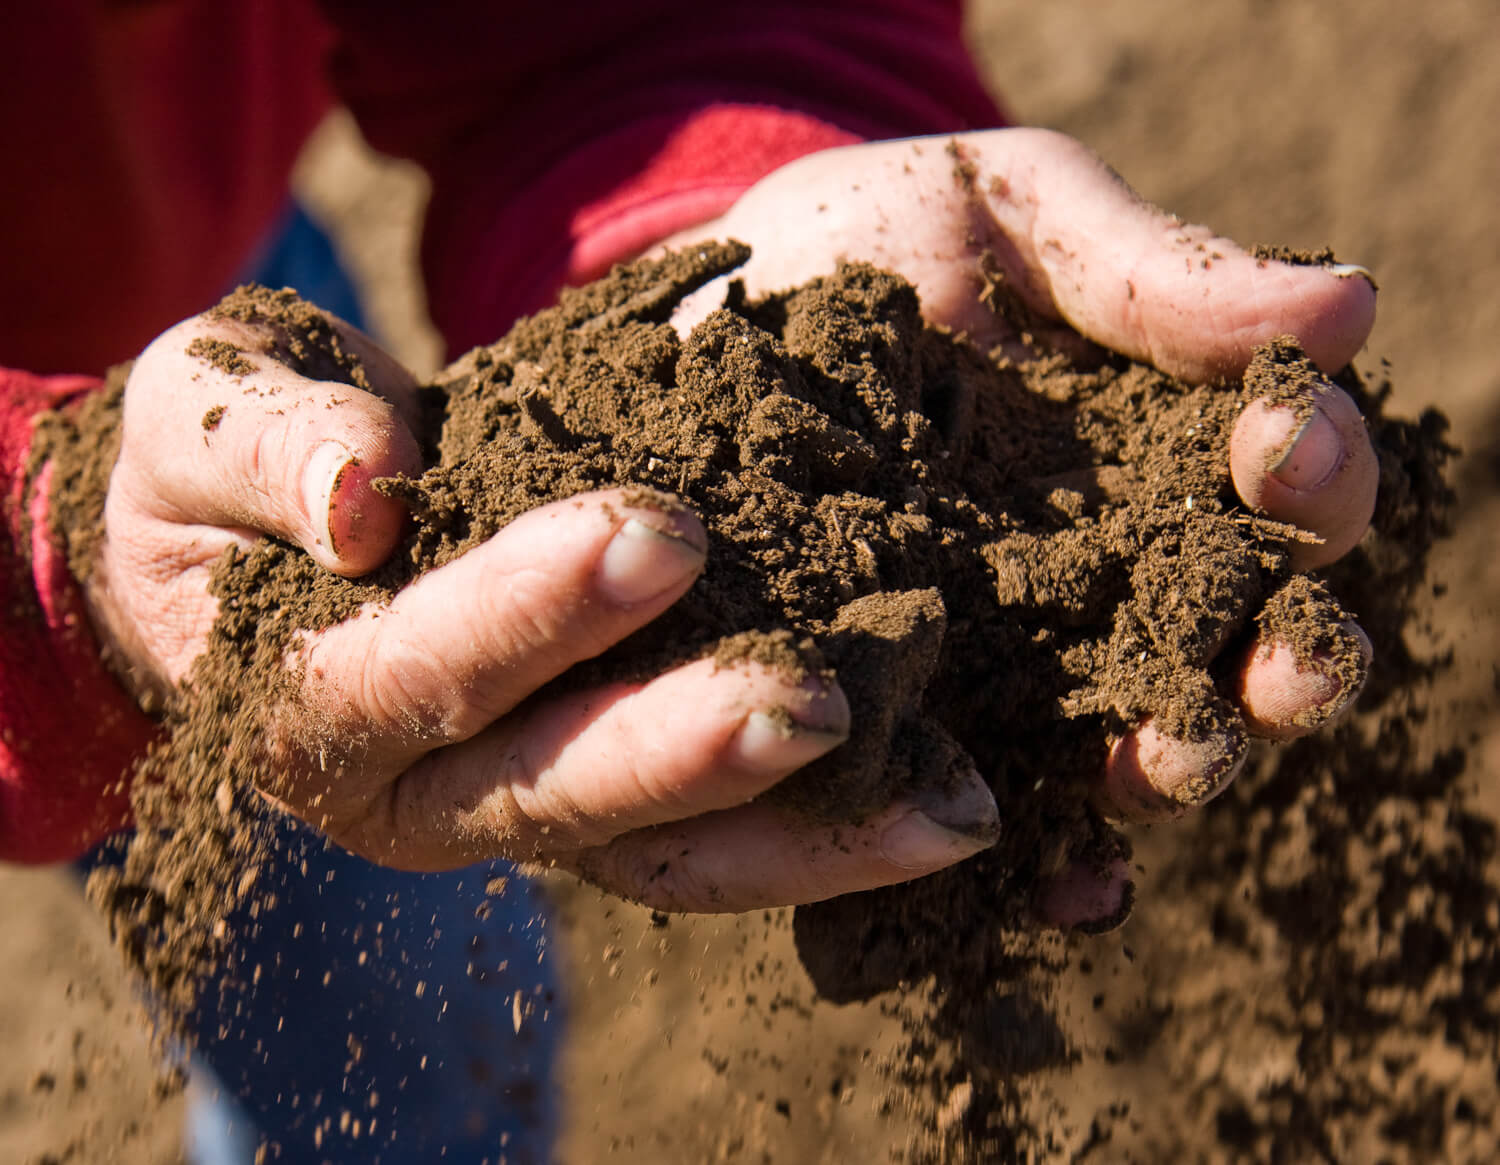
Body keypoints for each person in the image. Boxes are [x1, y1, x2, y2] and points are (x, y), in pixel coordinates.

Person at [2, 1, 1379, 1159]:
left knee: (408, 1064)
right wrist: (55, 556)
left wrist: (710, 184)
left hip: (191, 270)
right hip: (118, 503)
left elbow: (602, 31)